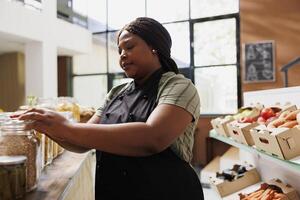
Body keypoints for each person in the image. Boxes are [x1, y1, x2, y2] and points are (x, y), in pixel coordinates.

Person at [17, 17, 204, 200]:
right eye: (120, 50)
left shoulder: (179, 86)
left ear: (154, 47)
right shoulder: (117, 92)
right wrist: (45, 125)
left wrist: (66, 126)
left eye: (129, 47)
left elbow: (153, 137)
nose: (122, 54)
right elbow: (82, 142)